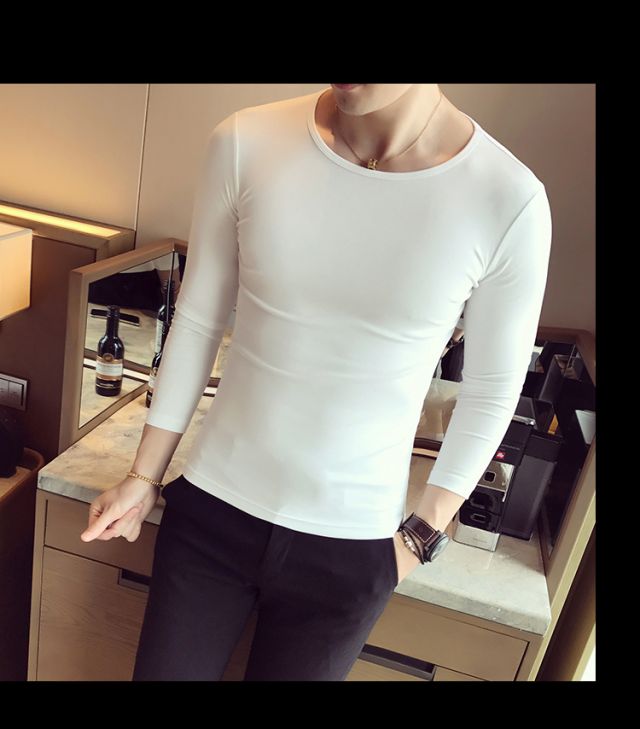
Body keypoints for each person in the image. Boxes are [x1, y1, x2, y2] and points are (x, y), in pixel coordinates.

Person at [80, 84, 553, 681]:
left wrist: (420, 537)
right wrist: (143, 474)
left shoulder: (507, 198)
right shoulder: (246, 140)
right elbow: (198, 317)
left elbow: (491, 390)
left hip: (353, 546)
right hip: (212, 514)